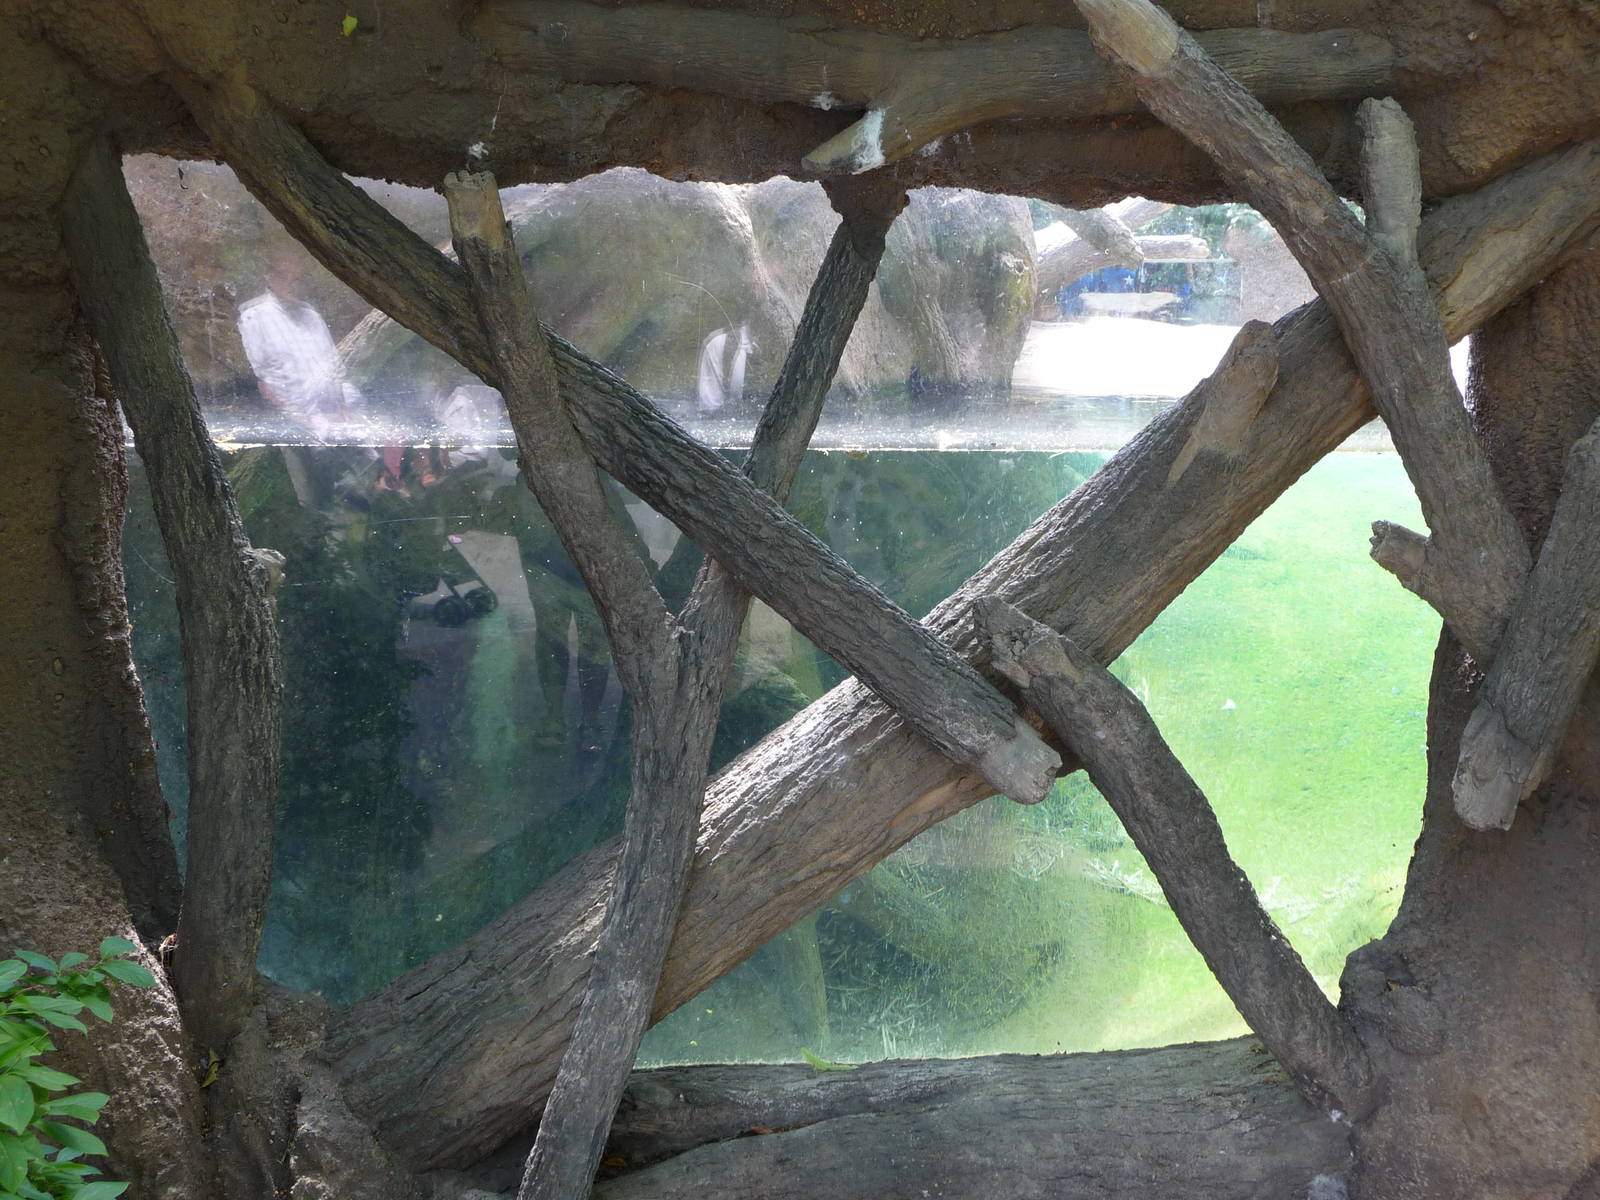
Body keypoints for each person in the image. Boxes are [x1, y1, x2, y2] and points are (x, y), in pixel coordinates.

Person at [696, 322, 755, 413]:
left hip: (735, 332)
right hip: (727, 334)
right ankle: (713, 408)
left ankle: (714, 407)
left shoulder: (743, 339)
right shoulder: (719, 341)